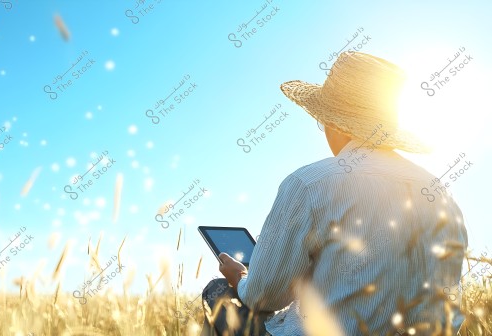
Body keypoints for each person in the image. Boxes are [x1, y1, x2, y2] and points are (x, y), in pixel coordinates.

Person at [200, 52, 468, 336]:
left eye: (323, 120)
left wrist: (241, 276)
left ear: (336, 122)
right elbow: (449, 314)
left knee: (217, 291)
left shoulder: (308, 183)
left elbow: (264, 298)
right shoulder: (440, 194)